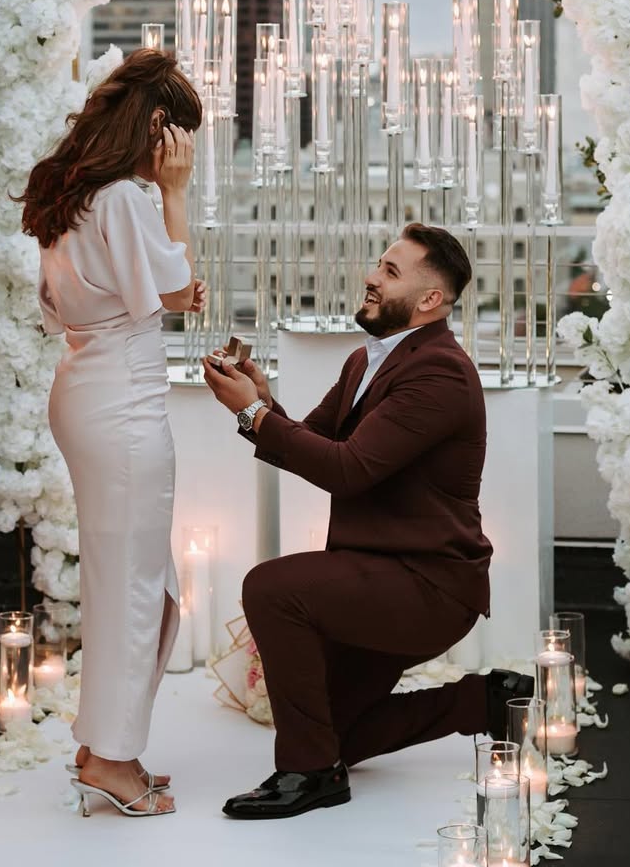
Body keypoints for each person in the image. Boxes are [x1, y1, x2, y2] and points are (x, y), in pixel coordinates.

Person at [202, 224, 532, 819]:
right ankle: (483, 703)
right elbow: (318, 443)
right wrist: (262, 398)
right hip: (375, 574)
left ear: (430, 300)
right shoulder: (365, 361)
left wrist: (252, 415)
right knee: (340, 734)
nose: (371, 277)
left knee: (270, 588)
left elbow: (347, 471)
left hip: (426, 586)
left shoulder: (441, 374)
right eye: (378, 264)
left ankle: (309, 774)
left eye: (390, 271)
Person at [19, 48, 204, 818]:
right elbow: (179, 292)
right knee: (138, 586)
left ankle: (101, 745)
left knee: (130, 579)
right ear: (157, 128)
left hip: (85, 389)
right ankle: (115, 760)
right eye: (181, 135)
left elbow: (63, 307)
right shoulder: (127, 198)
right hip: (123, 405)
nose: (185, 151)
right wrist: (176, 195)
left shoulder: (74, 196)